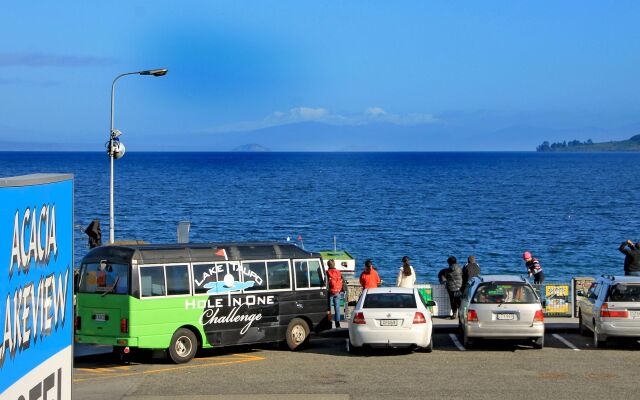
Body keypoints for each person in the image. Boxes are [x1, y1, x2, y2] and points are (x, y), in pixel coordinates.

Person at [326, 259, 344, 328]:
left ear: (328, 265)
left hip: (330, 292)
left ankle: (329, 323)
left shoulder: (327, 272)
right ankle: (337, 324)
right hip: (337, 291)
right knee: (337, 308)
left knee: (329, 309)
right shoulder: (338, 272)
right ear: (334, 264)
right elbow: (342, 280)